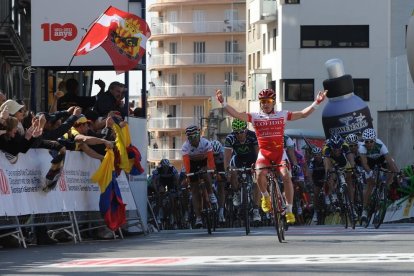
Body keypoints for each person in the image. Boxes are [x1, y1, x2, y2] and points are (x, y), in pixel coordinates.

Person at [216, 88, 327, 224]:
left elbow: (303, 114)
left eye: (268, 101)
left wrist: (317, 102)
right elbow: (238, 115)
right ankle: (265, 196)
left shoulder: (282, 114)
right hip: (264, 154)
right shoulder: (255, 116)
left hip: (279, 153)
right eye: (262, 102)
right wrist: (223, 102)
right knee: (259, 173)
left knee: (286, 176)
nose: (265, 104)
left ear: (273, 102)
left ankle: (289, 210)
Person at [223, 118, 261, 223]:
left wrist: (257, 165)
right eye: (236, 132)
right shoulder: (230, 138)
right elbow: (226, 157)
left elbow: (258, 153)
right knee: (232, 170)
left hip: (252, 159)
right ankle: (236, 192)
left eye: (241, 132)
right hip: (238, 160)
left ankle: (256, 209)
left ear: (245, 130)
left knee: (257, 180)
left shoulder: (253, 135)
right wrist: (227, 169)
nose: (239, 135)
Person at [358, 128, 399, 222]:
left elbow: (389, 160)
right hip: (369, 162)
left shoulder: (380, 144)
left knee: (391, 164)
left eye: (371, 141)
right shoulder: (362, 147)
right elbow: (364, 163)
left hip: (380, 159)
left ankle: (386, 187)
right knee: (370, 184)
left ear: (374, 140)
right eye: (366, 141)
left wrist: (396, 172)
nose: (368, 143)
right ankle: (364, 210)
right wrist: (369, 172)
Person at [181, 125, 217, 228]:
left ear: (199, 135)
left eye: (195, 136)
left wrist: (211, 169)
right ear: (188, 138)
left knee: (206, 173)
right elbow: (187, 165)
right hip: (192, 164)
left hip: (203, 162)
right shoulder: (185, 147)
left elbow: (210, 160)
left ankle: (210, 194)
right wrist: (188, 176)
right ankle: (198, 218)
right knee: (195, 191)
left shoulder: (205, 143)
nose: (193, 139)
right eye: (191, 137)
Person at [322, 134, 356, 217]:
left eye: (338, 149)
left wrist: (353, 167)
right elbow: (327, 163)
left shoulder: (345, 145)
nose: (337, 151)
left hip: (342, 161)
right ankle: (333, 193)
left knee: (349, 179)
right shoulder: (326, 148)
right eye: (335, 149)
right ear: (331, 147)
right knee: (331, 175)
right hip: (331, 161)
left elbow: (350, 157)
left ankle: (351, 204)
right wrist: (328, 173)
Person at [151, 159, 180, 228]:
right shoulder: (158, 170)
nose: (165, 168)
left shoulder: (172, 169)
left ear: (169, 165)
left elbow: (176, 179)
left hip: (171, 181)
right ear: (161, 166)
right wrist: (157, 191)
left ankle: (172, 214)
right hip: (162, 181)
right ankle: (160, 213)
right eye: (164, 167)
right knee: (160, 193)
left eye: (166, 167)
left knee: (172, 196)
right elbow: (154, 182)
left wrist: (177, 188)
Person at [308, 147, 326, 223]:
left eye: (318, 154)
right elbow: (310, 174)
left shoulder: (324, 160)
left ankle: (329, 197)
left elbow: (328, 170)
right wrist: (311, 182)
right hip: (316, 179)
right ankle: (315, 212)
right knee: (315, 194)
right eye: (315, 155)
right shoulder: (312, 162)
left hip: (324, 178)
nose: (317, 156)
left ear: (321, 154)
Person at [211, 140, 226, 223]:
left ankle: (221, 211)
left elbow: (227, 165)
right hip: (212, 166)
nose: (215, 157)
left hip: (221, 167)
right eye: (214, 155)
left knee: (221, 187)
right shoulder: (208, 154)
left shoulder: (223, 153)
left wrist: (225, 174)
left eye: (217, 155)